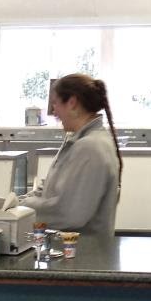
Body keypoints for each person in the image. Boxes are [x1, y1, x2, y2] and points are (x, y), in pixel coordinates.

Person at [19, 74, 122, 236]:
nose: (54, 112)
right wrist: (20, 202)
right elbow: (48, 187)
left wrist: (22, 208)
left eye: (55, 104)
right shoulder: (77, 141)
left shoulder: (91, 147)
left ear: (72, 103)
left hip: (86, 255)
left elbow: (68, 213)